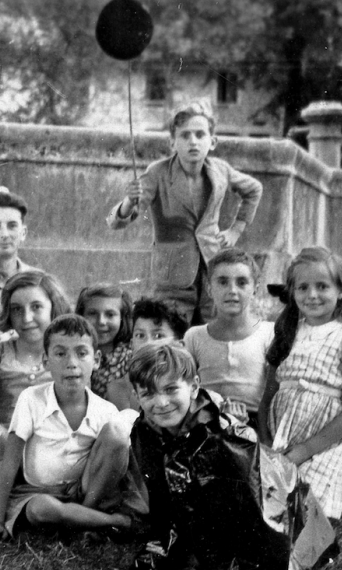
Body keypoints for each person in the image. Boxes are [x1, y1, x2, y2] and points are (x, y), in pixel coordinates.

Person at [122, 341, 299, 570]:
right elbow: (163, 498)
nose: (161, 402)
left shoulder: (222, 440)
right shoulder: (145, 431)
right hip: (206, 525)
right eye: (148, 393)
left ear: (194, 387)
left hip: (273, 515)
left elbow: (260, 511)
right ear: (137, 396)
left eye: (171, 389)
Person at [0, 314, 132, 542]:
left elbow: (111, 461)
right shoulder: (31, 399)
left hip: (83, 492)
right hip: (37, 493)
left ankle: (83, 515)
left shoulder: (104, 409)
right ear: (46, 362)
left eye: (81, 353)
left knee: (117, 433)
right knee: (40, 509)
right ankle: (113, 522)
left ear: (96, 359)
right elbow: (9, 465)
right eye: (60, 354)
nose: (72, 363)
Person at [106, 100, 263, 324]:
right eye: (185, 135)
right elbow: (115, 222)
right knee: (172, 331)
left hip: (212, 267)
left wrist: (237, 229)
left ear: (213, 141)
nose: (193, 142)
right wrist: (128, 203)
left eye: (200, 135)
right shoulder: (157, 173)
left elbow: (254, 189)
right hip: (173, 276)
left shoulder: (220, 170)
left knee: (211, 331)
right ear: (172, 142)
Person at [259, 248, 342, 521]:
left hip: (323, 444)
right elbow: (267, 397)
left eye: (322, 286)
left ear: (341, 290)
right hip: (280, 440)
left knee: (303, 534)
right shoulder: (286, 333)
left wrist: (305, 450)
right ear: (293, 292)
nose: (312, 295)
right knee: (268, 521)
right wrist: (265, 446)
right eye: (303, 287)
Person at [0, 272, 71, 459]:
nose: (26, 318)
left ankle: (19, 471)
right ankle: (27, 470)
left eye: (36, 307)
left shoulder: (69, 354)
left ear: (53, 308)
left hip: (54, 442)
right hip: (5, 442)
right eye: (17, 309)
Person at [182, 248, 274, 428]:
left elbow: (273, 394)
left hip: (256, 423)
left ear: (255, 289)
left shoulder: (268, 333)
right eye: (223, 282)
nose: (232, 290)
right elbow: (186, 389)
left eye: (241, 282)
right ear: (209, 288)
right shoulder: (194, 337)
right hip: (206, 422)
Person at [106, 297, 189, 410]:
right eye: (140, 335)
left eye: (158, 336)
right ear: (131, 344)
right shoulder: (118, 389)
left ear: (179, 344)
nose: (147, 343)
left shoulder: (188, 385)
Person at [75, 283, 134, 409]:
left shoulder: (130, 359)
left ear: (122, 318)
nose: (101, 321)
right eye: (92, 313)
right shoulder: (72, 356)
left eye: (110, 314)